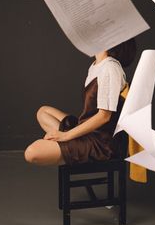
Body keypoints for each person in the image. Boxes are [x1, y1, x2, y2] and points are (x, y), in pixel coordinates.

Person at [24, 38, 136, 166]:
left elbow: (104, 116)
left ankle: (69, 147)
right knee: (43, 112)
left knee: (32, 152)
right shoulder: (96, 65)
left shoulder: (110, 68)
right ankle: (70, 146)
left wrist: (65, 136)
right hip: (89, 129)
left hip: (101, 142)